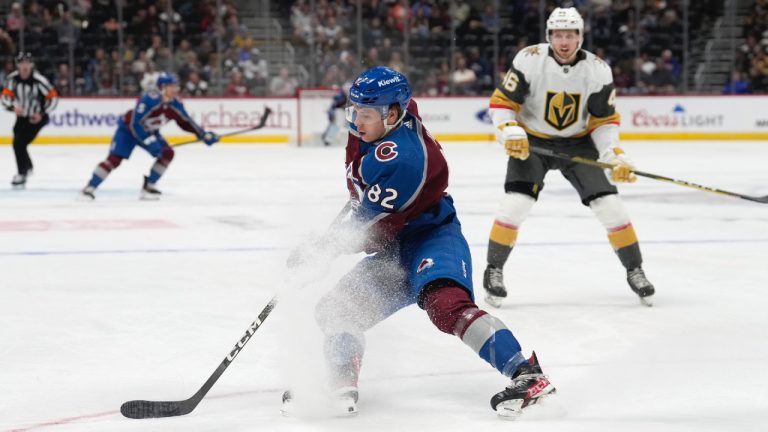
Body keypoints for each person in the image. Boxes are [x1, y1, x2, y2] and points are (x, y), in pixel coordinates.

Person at [282, 66, 555, 418]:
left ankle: (527, 374)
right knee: (335, 312)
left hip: (431, 237)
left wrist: (323, 249)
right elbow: (364, 205)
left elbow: (367, 228)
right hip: (395, 247)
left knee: (445, 304)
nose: (357, 122)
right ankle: (340, 384)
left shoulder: (405, 159)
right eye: (355, 112)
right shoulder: (386, 120)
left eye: (366, 115)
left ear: (392, 115)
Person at [482, 7, 655, 307]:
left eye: (570, 35)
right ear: (549, 36)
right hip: (533, 143)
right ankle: (494, 270)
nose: (564, 41)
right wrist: (509, 130)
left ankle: (635, 269)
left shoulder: (598, 70)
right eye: (558, 35)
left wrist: (613, 154)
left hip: (577, 145)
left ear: (580, 37)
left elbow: (603, 122)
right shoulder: (529, 59)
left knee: (611, 206)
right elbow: (501, 104)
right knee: (516, 205)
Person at [80, 73, 219, 200]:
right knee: (114, 159)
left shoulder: (175, 104)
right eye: (172, 86)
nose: (175, 89)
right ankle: (90, 187)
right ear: (163, 87)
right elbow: (135, 124)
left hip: (149, 132)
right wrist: (149, 141)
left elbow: (186, 122)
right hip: (128, 131)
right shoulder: (150, 100)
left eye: (176, 85)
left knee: (167, 153)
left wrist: (203, 134)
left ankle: (149, 186)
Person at [1, 52, 59, 188]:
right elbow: (5, 97)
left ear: (31, 64)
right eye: (21, 63)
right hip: (22, 117)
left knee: (19, 143)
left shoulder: (39, 80)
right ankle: (27, 167)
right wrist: (12, 107)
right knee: (18, 141)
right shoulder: (12, 79)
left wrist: (42, 113)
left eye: (27, 63)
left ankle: (22, 172)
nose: (24, 66)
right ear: (17, 65)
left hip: (37, 118)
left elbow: (53, 97)